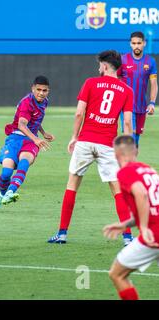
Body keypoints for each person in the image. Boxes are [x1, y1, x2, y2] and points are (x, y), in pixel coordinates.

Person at [48, 50, 134, 245]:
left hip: (85, 141)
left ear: (104, 66)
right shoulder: (127, 90)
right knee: (118, 190)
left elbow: (79, 113)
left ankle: (62, 233)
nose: (98, 68)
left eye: (99, 65)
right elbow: (127, 123)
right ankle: (127, 237)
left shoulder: (90, 83)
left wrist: (73, 137)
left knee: (72, 186)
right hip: (107, 145)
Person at [103, 135, 159, 300]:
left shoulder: (125, 172)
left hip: (153, 235)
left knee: (117, 274)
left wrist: (142, 228)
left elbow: (141, 194)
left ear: (115, 154)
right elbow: (152, 206)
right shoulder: (150, 170)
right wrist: (125, 224)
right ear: (137, 151)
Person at [0, 76, 55, 212]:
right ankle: (2, 195)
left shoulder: (44, 101)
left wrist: (42, 133)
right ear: (33, 89)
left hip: (30, 141)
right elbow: (22, 125)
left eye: (45, 90)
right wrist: (37, 139)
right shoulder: (27, 103)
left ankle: (10, 192)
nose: (41, 93)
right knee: (6, 173)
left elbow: (36, 118)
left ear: (48, 91)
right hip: (15, 138)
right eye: (38, 90)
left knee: (24, 162)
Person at [118, 31, 157, 148]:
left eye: (139, 43)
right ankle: (127, 164)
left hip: (141, 106)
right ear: (130, 44)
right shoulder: (122, 60)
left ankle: (131, 163)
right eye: (134, 43)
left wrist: (152, 103)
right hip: (126, 105)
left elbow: (154, 84)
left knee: (136, 140)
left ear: (144, 43)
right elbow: (115, 80)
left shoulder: (150, 62)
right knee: (130, 137)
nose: (136, 46)